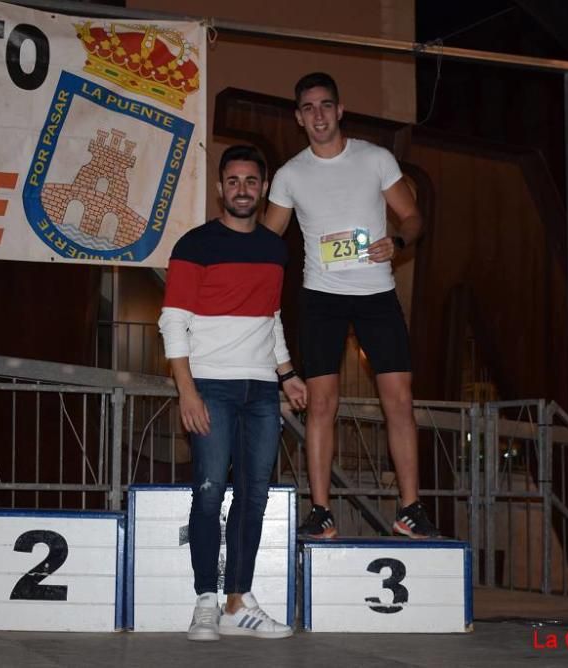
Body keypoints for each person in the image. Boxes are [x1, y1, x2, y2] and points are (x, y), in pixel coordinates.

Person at [264, 72, 442, 540]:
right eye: (308, 108)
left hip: (376, 295)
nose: (318, 115)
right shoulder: (289, 175)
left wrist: (399, 240)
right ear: (298, 117)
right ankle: (320, 512)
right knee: (321, 404)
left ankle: (410, 509)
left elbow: (412, 216)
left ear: (340, 110)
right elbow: (266, 241)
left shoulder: (375, 158)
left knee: (400, 401)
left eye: (326, 106)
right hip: (321, 298)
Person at [159, 145, 307, 641]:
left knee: (254, 497)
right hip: (211, 387)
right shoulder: (194, 245)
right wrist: (188, 392)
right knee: (208, 493)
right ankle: (205, 599)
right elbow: (173, 322)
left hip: (263, 390)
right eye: (233, 180)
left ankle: (238, 602)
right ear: (221, 187)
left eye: (251, 181)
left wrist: (287, 374)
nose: (242, 189)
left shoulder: (275, 249)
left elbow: (271, 319)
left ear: (263, 189)